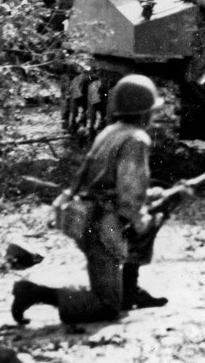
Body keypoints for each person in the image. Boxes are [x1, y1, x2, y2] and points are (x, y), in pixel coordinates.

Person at [11, 74, 173, 325]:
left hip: (84, 214)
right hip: (101, 222)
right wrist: (140, 220)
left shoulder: (111, 131)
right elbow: (130, 191)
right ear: (145, 113)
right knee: (107, 308)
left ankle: (128, 291)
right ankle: (36, 293)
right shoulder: (136, 139)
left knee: (159, 206)